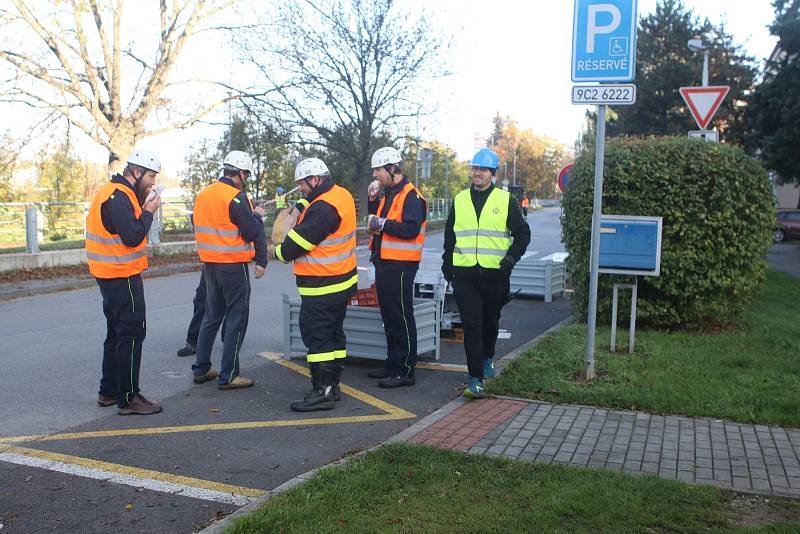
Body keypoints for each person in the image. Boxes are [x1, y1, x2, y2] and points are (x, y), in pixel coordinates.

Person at [442, 148, 531, 399]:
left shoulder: (504, 201)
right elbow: (450, 237)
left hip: (495, 276)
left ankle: (488, 356)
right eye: (474, 168)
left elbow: (523, 234)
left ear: (492, 173)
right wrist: (447, 266)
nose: (477, 173)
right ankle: (475, 379)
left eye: (482, 169)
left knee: (490, 323)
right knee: (471, 325)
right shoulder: (459, 200)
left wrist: (510, 259)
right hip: (465, 275)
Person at [273, 158, 357, 411]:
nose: (301, 189)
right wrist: (299, 205)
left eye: (303, 185)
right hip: (341, 281)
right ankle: (334, 386)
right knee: (334, 335)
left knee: (317, 338)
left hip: (322, 285)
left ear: (315, 179)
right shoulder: (339, 194)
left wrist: (276, 250)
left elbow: (293, 247)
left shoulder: (323, 209)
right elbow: (310, 202)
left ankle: (322, 392)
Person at [86, 148, 163, 415]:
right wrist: (150, 211)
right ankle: (128, 397)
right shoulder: (119, 197)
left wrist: (143, 209)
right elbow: (133, 236)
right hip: (122, 275)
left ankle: (108, 391)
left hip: (111, 274)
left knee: (116, 334)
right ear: (137, 172)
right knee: (131, 334)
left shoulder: (115, 193)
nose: (152, 183)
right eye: (151, 176)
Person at [191, 150, 268, 389]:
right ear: (241, 174)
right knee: (237, 316)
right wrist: (256, 218)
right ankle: (229, 375)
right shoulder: (236, 197)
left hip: (210, 265)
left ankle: (201, 368)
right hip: (233, 265)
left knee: (212, 316)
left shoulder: (204, 195)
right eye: (246, 174)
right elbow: (250, 232)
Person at [365, 147, 427, 388]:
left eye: (378, 170)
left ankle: (405, 370)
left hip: (401, 266)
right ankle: (392, 363)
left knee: (401, 316)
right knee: (389, 316)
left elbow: (410, 230)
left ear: (392, 168)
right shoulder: (390, 194)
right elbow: (377, 224)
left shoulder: (412, 196)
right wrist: (372, 203)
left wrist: (382, 223)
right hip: (384, 263)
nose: (375, 175)